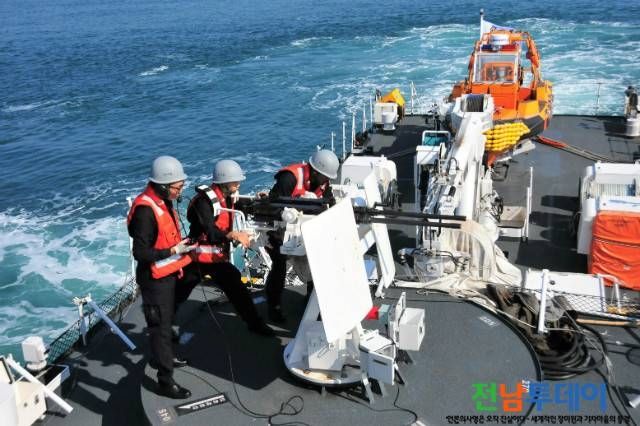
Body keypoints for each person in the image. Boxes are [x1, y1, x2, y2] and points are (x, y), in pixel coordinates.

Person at [127, 155, 197, 399]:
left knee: (165, 325)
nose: (180, 191)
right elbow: (140, 253)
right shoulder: (145, 212)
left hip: (167, 274)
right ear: (163, 186)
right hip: (154, 280)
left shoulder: (163, 201)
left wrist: (181, 247)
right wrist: (173, 250)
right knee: (160, 329)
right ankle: (165, 382)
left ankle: (164, 357)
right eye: (178, 187)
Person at [187, 159, 274, 336]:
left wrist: (258, 200)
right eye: (235, 181)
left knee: (238, 289)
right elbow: (210, 232)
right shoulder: (203, 203)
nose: (239, 184)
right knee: (178, 293)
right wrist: (231, 235)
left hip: (215, 259)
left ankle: (255, 324)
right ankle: (162, 327)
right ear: (224, 182)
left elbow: (243, 206)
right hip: (195, 259)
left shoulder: (227, 197)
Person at [264, 149, 339, 323]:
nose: (326, 181)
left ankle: (311, 301)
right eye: (324, 177)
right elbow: (272, 205)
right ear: (315, 172)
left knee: (316, 264)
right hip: (280, 230)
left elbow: (329, 202)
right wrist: (289, 211)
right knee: (279, 267)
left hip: (306, 230)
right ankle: (274, 307)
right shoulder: (289, 178)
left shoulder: (322, 182)